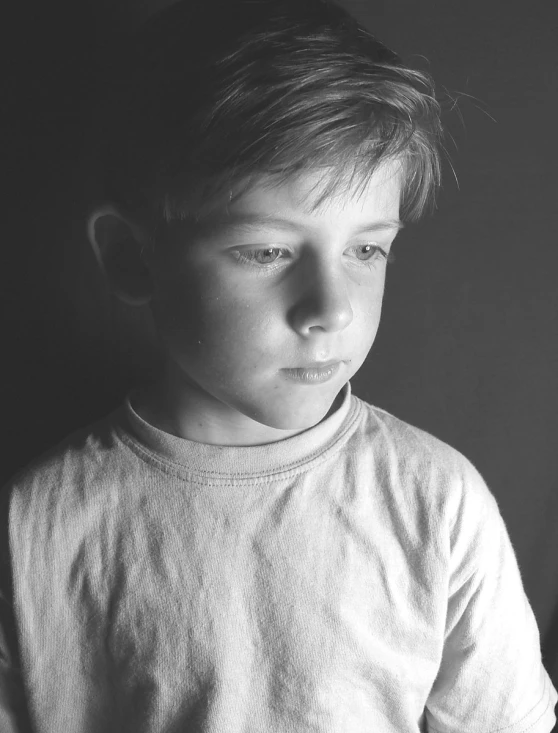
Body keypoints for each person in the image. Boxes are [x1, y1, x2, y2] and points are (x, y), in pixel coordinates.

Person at [1, 0, 556, 731]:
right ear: (133, 258)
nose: (331, 309)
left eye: (367, 249)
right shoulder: (35, 524)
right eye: (267, 250)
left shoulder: (438, 503)